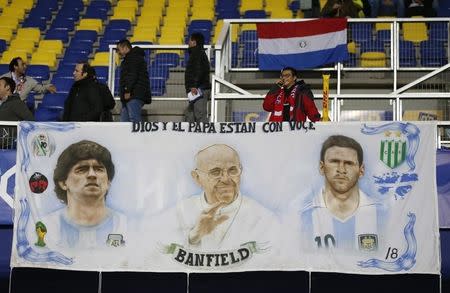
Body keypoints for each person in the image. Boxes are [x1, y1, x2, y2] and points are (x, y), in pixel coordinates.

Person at [176, 144, 279, 251]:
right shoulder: (180, 213)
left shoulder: (264, 219)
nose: (226, 179)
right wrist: (194, 237)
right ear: (197, 178)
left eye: (232, 170)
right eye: (215, 172)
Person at [301, 135, 383, 252]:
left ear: (361, 170)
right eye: (334, 161)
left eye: (349, 163)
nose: (341, 169)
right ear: (321, 167)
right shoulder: (302, 215)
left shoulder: (382, 213)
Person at [44, 140, 126, 249]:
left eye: (98, 169)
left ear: (108, 182)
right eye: (82, 169)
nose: (92, 175)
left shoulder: (125, 225)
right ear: (63, 183)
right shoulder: (47, 226)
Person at [116, 39, 151, 122]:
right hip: (132, 95)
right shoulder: (131, 58)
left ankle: (139, 135)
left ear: (125, 48)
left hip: (134, 94)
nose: (118, 52)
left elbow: (132, 75)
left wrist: (127, 90)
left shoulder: (133, 58)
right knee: (124, 123)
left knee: (135, 121)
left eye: (119, 49)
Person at [184, 32, 211, 123]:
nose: (188, 42)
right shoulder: (198, 53)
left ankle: (206, 136)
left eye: (190, 40)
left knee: (200, 115)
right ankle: (192, 136)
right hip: (196, 90)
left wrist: (194, 86)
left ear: (194, 42)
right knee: (190, 115)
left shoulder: (197, 53)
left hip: (198, 90)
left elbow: (198, 70)